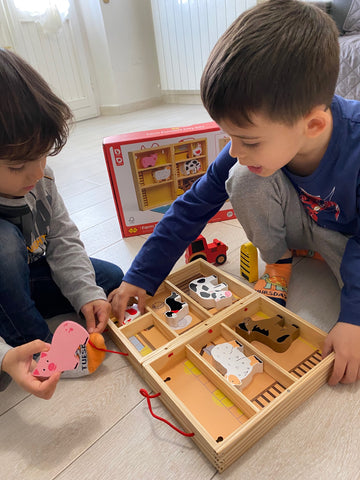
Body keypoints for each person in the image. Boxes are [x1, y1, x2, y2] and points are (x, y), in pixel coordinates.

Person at [109, 0, 360, 387]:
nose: (235, 150)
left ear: (312, 125)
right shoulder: (251, 146)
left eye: (248, 140)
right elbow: (194, 204)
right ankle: (280, 262)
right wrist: (141, 275)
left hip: (346, 235)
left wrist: (352, 320)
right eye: (229, 137)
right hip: (299, 221)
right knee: (243, 176)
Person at [0, 48, 124, 391]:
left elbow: (64, 241)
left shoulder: (41, 178)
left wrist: (86, 294)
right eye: (17, 166)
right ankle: (34, 347)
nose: (38, 172)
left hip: (27, 278)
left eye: (41, 156)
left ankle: (22, 311)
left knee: (108, 279)